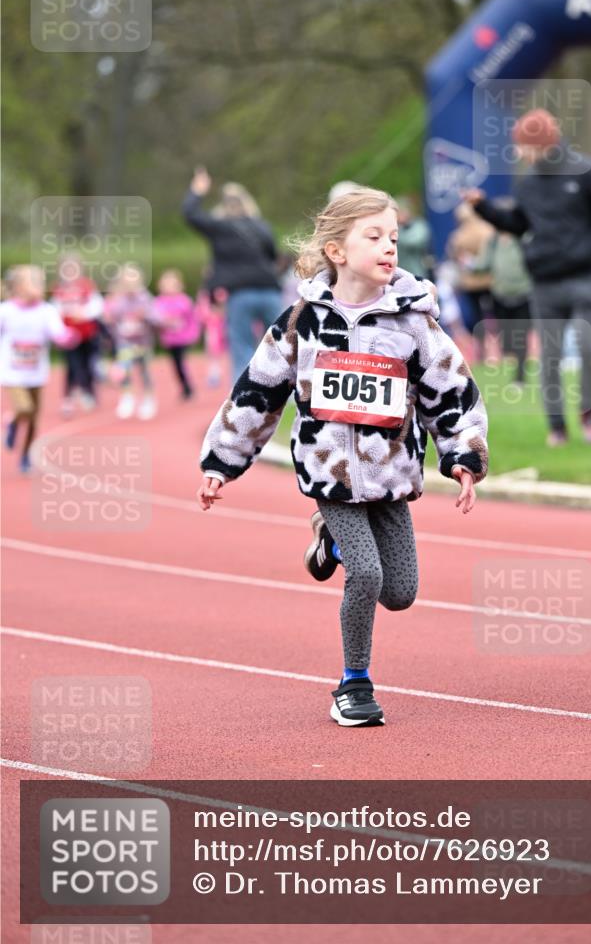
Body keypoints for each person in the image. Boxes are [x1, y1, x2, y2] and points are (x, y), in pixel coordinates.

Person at [197, 187, 488, 728]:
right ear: (336, 250)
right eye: (373, 237)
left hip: (390, 475)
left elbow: (451, 393)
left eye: (394, 238)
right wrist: (220, 462)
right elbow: (257, 392)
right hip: (329, 476)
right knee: (368, 578)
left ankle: (326, 539)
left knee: (400, 594)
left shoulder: (412, 322)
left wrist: (462, 454)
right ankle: (353, 684)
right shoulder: (301, 320)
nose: (389, 248)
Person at [462, 107, 591, 447]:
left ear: (540, 143)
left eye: (521, 145)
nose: (517, 152)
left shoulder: (589, 173)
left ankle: (589, 416)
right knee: (550, 359)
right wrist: (484, 209)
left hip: (585, 278)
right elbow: (518, 224)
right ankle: (557, 428)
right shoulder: (528, 183)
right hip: (545, 283)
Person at [182, 168, 282, 382]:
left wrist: (197, 190)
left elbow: (190, 214)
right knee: (278, 347)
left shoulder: (221, 227)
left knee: (242, 349)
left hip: (240, 294)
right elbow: (273, 256)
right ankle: (286, 391)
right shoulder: (261, 227)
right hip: (269, 289)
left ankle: (243, 395)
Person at [1, 265, 77, 472]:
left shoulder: (47, 311)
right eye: (31, 281)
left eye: (40, 282)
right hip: (11, 373)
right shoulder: (6, 311)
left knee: (34, 418)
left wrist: (68, 337)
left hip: (36, 373)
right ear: (16, 287)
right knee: (24, 408)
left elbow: (58, 332)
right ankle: (13, 422)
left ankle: (25, 455)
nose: (38, 286)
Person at [474, 225, 533, 386]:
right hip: (500, 297)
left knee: (520, 337)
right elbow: (483, 265)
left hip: (523, 295)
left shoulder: (522, 239)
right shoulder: (493, 242)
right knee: (506, 341)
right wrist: (469, 264)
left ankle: (520, 377)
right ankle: (514, 366)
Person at [51, 253, 104, 417]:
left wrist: (84, 313)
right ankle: (68, 398)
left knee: (88, 364)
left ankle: (89, 392)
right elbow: (53, 311)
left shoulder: (87, 286)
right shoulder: (58, 290)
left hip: (87, 334)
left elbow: (98, 306)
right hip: (69, 337)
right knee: (72, 366)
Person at [105, 264, 157, 420]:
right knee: (124, 371)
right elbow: (112, 318)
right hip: (125, 343)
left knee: (144, 372)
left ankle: (148, 399)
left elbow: (156, 316)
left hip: (143, 343)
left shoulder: (145, 298)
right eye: (126, 282)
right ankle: (127, 398)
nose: (130, 286)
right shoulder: (119, 301)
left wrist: (146, 315)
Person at [446, 202, 494, 361]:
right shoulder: (487, 230)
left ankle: (482, 351)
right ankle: (499, 350)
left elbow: (452, 254)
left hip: (470, 282)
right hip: (489, 280)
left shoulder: (458, 235)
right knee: (495, 314)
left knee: (476, 317)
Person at [153, 269, 200, 399]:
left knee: (180, 362)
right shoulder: (159, 302)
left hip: (182, 339)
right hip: (169, 340)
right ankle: (184, 386)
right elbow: (156, 319)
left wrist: (193, 334)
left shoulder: (184, 301)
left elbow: (192, 320)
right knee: (175, 364)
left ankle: (187, 387)